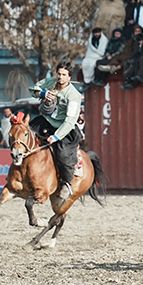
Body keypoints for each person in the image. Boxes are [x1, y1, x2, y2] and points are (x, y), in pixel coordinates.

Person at [29, 61, 83, 200]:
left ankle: (67, 182)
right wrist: (42, 93)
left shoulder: (74, 95)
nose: (60, 77)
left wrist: (56, 136)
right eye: (59, 74)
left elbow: (70, 121)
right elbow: (32, 89)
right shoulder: (49, 82)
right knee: (25, 136)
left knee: (62, 153)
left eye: (64, 75)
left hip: (64, 127)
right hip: (46, 121)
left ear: (69, 77)